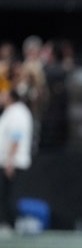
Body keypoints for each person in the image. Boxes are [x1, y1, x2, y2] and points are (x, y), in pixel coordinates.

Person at [0, 89, 33, 235]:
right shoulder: (10, 112)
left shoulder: (18, 113)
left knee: (10, 196)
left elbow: (16, 137)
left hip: (14, 162)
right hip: (8, 161)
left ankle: (9, 225)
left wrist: (10, 161)